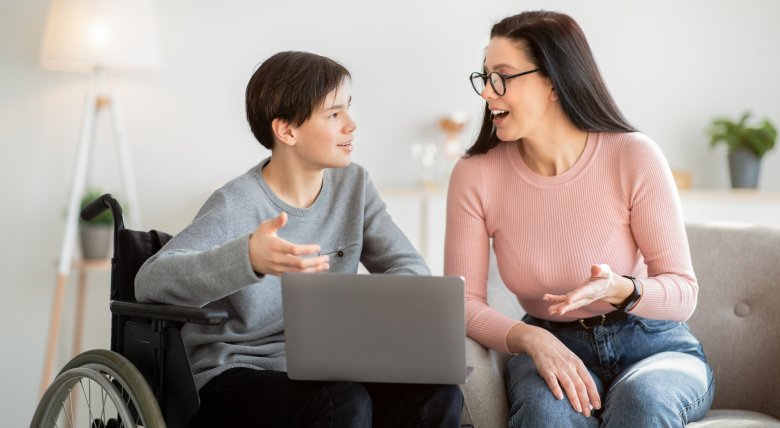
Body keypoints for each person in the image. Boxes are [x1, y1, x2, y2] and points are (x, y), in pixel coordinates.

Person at [136, 51, 463, 427]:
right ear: (287, 130)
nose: (352, 125)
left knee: (439, 392)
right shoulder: (236, 203)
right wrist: (248, 259)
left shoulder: (354, 187)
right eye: (334, 114)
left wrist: (380, 313)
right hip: (238, 372)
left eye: (348, 109)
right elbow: (150, 281)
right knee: (343, 402)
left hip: (331, 365)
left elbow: (408, 265)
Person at [444, 10, 714, 427]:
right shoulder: (475, 175)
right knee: (543, 415)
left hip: (654, 345)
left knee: (642, 401)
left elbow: (683, 292)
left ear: (552, 81)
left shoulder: (633, 155)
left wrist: (620, 288)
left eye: (502, 76)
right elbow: (461, 304)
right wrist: (530, 338)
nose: (487, 93)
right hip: (549, 346)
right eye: (485, 77)